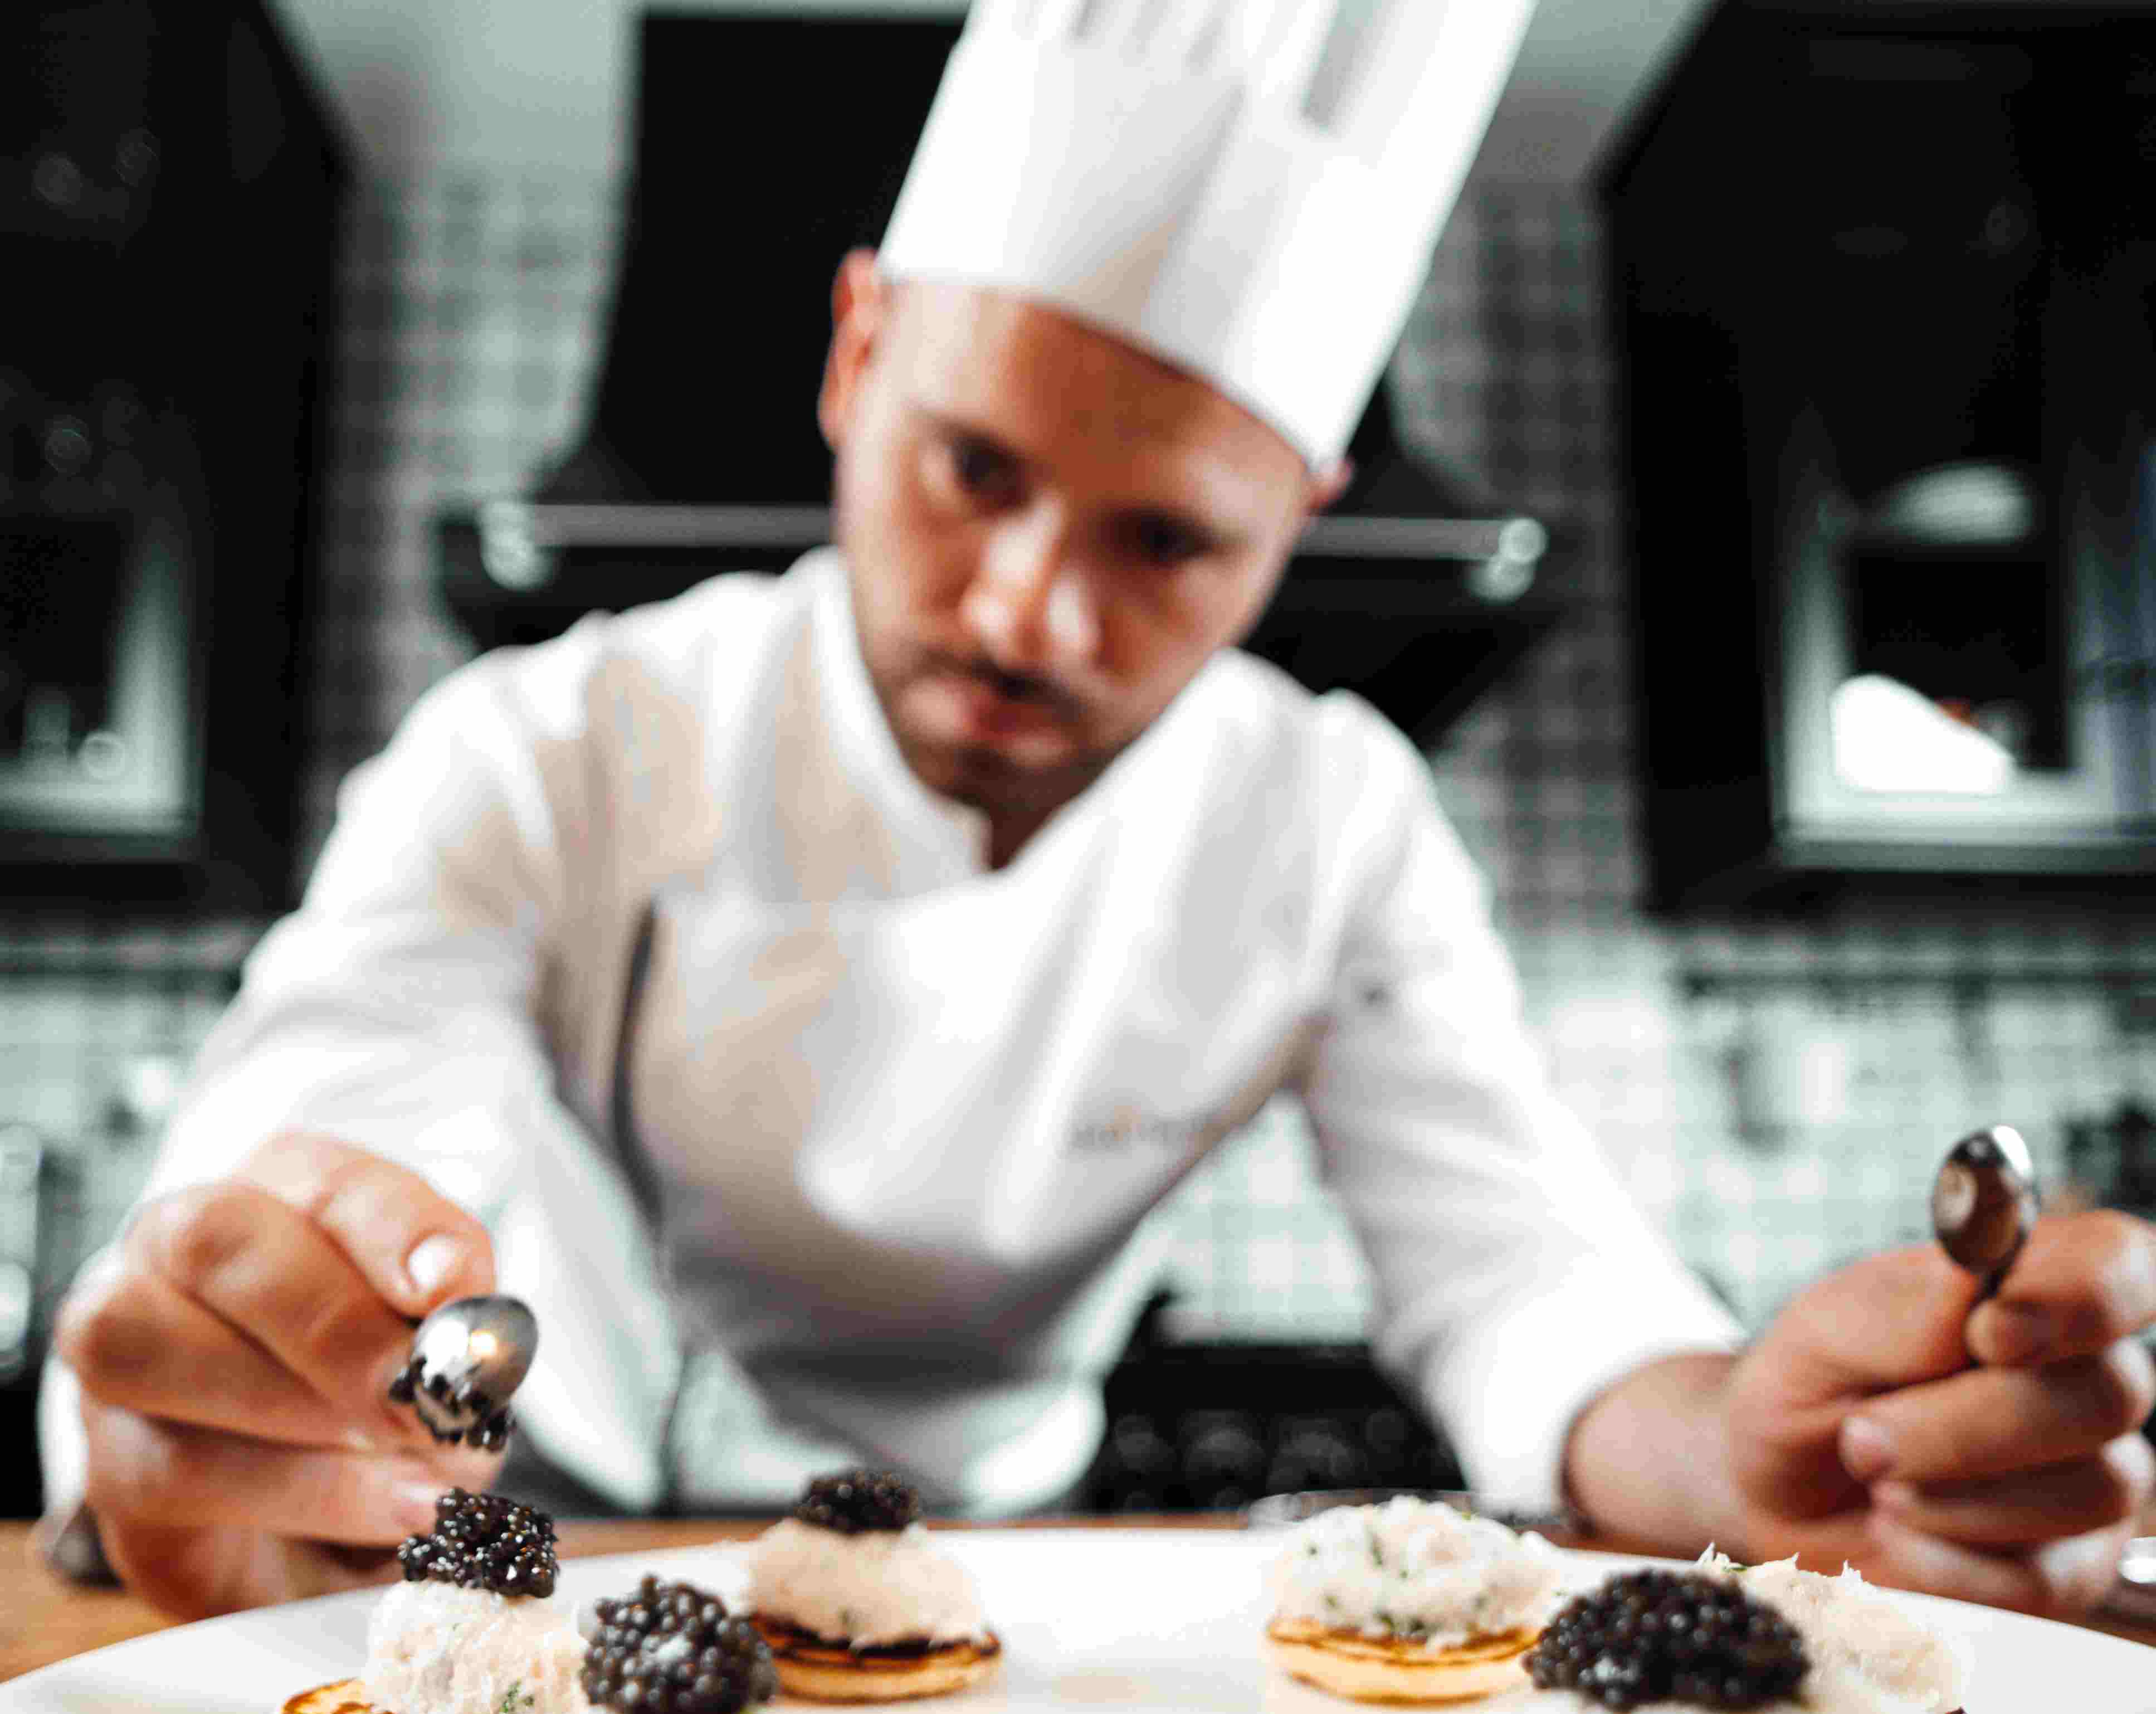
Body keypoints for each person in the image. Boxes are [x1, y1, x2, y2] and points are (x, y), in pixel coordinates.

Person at [43, 0, 2153, 1621]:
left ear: (1295, 528)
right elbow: (341, 1096)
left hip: (1022, 1539)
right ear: (858, 351)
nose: (1032, 615)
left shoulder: (1333, 817)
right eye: (973, 466)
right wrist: (238, 1371)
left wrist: (1786, 1465)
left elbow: (1543, 1291)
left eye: (1168, 540)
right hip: (554, 1504)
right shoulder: (551, 740)